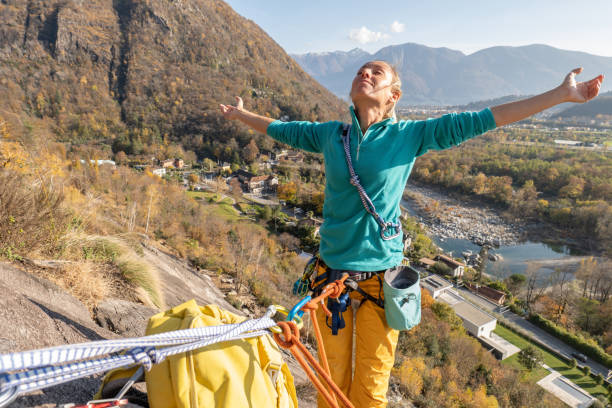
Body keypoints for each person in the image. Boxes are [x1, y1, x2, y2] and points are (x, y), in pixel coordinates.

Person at [220, 62, 603, 407]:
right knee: (328, 383)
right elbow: (282, 130)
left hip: (378, 281)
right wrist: (240, 115)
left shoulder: (409, 135)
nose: (364, 75)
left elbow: (486, 118)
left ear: (393, 96)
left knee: (370, 390)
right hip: (330, 277)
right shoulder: (331, 136)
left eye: (376, 73)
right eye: (360, 72)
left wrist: (560, 95)